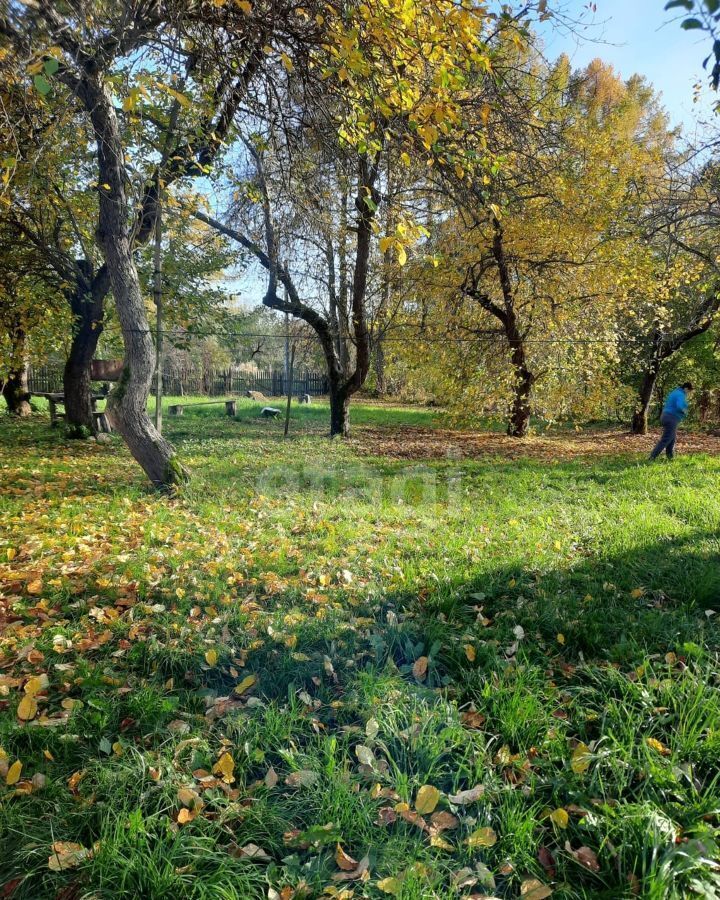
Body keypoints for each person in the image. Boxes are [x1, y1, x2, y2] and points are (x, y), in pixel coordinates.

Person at [649, 382, 693, 460]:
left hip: (666, 416)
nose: (688, 393)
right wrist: (685, 411)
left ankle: (670, 457)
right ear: (686, 388)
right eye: (689, 391)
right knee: (666, 438)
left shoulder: (675, 392)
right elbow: (680, 406)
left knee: (672, 438)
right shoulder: (680, 394)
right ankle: (652, 457)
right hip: (671, 418)